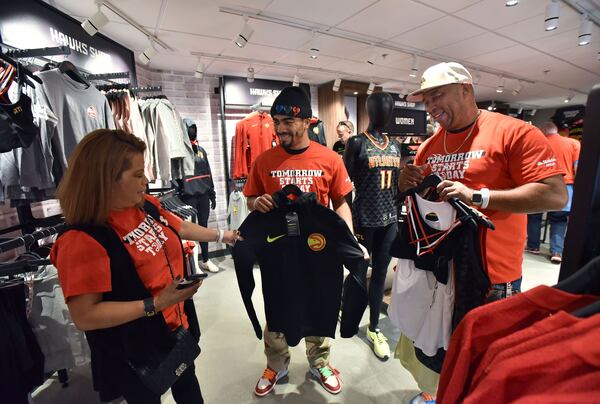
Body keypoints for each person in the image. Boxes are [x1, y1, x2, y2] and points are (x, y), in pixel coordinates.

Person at [400, 62, 567, 403]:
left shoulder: (514, 132)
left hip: (494, 277)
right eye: (426, 100)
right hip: (442, 273)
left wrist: (479, 195)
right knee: (441, 351)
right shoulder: (430, 145)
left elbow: (554, 194)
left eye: (437, 95)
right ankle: (438, 394)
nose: (431, 106)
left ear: (466, 89)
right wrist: (406, 185)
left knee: (484, 362)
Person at [50, 129, 240, 404]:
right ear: (106, 179)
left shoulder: (144, 206)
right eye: (138, 174)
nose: (147, 180)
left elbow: (181, 226)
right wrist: (156, 303)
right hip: (136, 349)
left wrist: (224, 236)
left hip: (176, 326)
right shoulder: (82, 239)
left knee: (187, 383)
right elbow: (85, 316)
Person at [243, 86, 365, 397]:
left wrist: (348, 239)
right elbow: (250, 199)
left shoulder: (329, 158)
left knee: (320, 302)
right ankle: (276, 363)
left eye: (287, 121)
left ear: (307, 121)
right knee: (276, 305)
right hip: (279, 249)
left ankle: (320, 361)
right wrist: (256, 203)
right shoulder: (264, 160)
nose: (280, 128)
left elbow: (340, 202)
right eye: (276, 121)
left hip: (318, 249)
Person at [343, 92, 401, 361]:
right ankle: (347, 311)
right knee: (357, 274)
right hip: (364, 220)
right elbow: (344, 188)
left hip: (389, 221)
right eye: (379, 107)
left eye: (388, 107)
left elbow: (399, 186)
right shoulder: (356, 143)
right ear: (369, 110)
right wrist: (348, 223)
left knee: (379, 275)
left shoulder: (396, 145)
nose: (384, 112)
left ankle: (375, 328)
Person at [526, 121, 580, 263]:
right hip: (564, 187)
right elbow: (578, 168)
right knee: (559, 219)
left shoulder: (537, 142)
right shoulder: (573, 143)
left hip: (538, 185)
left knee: (534, 216)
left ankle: (533, 246)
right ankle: (556, 252)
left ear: (543, 131)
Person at [180, 118, 220, 273]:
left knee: (203, 227)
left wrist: (212, 194)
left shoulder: (201, 150)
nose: (193, 131)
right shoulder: (180, 152)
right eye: (190, 128)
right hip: (188, 196)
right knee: (189, 230)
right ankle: (192, 264)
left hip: (203, 195)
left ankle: (205, 260)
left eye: (194, 128)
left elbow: (208, 173)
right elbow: (175, 176)